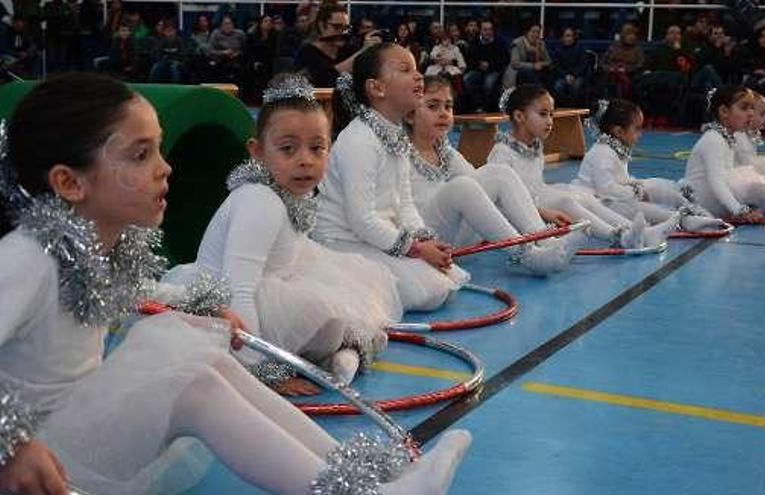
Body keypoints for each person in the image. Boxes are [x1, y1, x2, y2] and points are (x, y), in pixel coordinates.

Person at [0, 72, 471, 495]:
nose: (165, 167)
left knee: (191, 347)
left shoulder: (100, 249)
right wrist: (13, 448)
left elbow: (137, 297)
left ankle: (366, 476)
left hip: (70, 429)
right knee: (188, 379)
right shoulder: (26, 258)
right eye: (141, 155)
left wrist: (198, 306)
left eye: (159, 148)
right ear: (69, 182)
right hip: (37, 457)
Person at [191, 75, 401, 386]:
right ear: (258, 152)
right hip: (226, 306)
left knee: (357, 285)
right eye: (288, 149)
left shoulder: (289, 195)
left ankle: (339, 352)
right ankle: (325, 354)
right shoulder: (259, 200)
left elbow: (295, 253)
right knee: (320, 313)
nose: (305, 161)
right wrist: (259, 370)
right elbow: (238, 290)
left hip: (276, 282)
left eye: (318, 148)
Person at [315, 43, 469, 311]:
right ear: (377, 88)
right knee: (431, 291)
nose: (419, 76)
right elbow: (361, 219)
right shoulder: (359, 139)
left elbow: (404, 203)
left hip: (377, 237)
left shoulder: (395, 134)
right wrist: (417, 250)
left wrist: (423, 239)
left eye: (417, 68)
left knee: (450, 278)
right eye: (405, 69)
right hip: (342, 243)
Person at [406, 76, 585, 275]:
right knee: (462, 186)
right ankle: (529, 258)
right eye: (433, 106)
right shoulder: (399, 155)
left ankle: (544, 241)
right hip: (426, 241)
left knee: (498, 174)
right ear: (409, 115)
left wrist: (542, 212)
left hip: (455, 241)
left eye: (448, 106)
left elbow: (483, 191)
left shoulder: (447, 153)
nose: (443, 113)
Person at [487, 84, 676, 249]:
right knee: (567, 202)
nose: (550, 121)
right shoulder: (502, 153)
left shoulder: (534, 147)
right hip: (521, 213)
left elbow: (536, 187)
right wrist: (543, 213)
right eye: (543, 114)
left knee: (585, 198)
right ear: (519, 116)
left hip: (537, 199)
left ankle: (635, 231)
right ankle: (618, 236)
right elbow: (499, 202)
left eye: (551, 114)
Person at [575, 99, 723, 233]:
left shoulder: (615, 149)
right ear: (619, 131)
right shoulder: (602, 152)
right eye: (637, 128)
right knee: (636, 207)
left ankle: (691, 208)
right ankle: (684, 220)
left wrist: (640, 188)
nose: (641, 134)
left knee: (655, 184)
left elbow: (621, 181)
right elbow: (606, 190)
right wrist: (636, 193)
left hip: (614, 197)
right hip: (599, 203)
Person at [683, 85, 765, 222]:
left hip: (713, 196)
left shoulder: (726, 137)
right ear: (724, 111)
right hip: (705, 200)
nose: (750, 113)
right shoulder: (714, 140)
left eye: (751, 108)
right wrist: (739, 211)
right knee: (760, 189)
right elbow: (716, 183)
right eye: (744, 108)